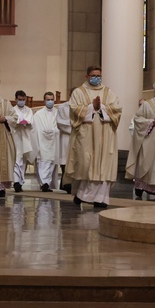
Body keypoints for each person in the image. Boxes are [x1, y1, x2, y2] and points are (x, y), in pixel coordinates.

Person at [64, 65, 122, 208]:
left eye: (99, 76)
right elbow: (74, 110)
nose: (96, 78)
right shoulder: (79, 92)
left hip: (105, 136)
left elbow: (117, 109)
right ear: (87, 77)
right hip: (86, 136)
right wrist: (91, 107)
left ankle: (101, 199)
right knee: (87, 166)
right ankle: (81, 195)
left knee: (103, 167)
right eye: (93, 76)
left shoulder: (108, 93)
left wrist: (101, 108)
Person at [126, 77, 155, 199]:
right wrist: (151, 123)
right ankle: (143, 187)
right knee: (148, 163)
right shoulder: (147, 105)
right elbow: (137, 119)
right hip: (150, 141)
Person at [33, 92, 61, 192]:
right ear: (44, 101)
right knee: (43, 163)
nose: (50, 101)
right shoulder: (38, 114)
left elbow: (61, 126)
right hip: (42, 142)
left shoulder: (58, 113)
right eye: (48, 100)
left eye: (52, 99)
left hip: (54, 142)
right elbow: (35, 129)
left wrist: (54, 131)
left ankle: (47, 183)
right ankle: (43, 183)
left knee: (51, 163)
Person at [12, 90, 38, 192]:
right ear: (15, 99)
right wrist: (18, 122)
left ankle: (21, 181)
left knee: (23, 161)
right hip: (16, 137)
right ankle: (16, 182)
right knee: (16, 160)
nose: (21, 101)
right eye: (19, 100)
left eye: (23, 100)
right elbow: (12, 121)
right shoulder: (12, 110)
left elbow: (31, 122)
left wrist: (26, 122)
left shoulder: (29, 110)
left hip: (26, 137)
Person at [57, 89, 73, 193]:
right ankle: (65, 183)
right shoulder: (62, 107)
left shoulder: (83, 107)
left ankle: (72, 183)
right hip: (66, 137)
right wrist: (73, 124)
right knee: (65, 160)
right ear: (70, 94)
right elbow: (60, 122)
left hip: (78, 137)